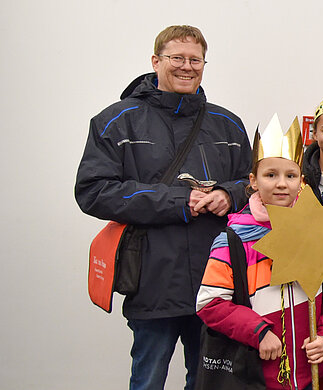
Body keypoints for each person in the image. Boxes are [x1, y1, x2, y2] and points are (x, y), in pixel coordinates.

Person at [74, 25, 253, 390]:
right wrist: (179, 200)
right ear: (156, 61)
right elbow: (93, 191)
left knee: (210, 381)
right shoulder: (115, 120)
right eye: (177, 58)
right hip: (153, 280)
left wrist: (228, 194)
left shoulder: (229, 124)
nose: (186, 67)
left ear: (204, 64)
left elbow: (253, 184)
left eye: (195, 60)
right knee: (148, 379)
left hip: (216, 281)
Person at [196, 154, 323, 390]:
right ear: (253, 181)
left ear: (302, 181)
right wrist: (258, 332)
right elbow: (210, 303)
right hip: (256, 377)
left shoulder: (318, 234)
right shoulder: (233, 240)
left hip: (310, 376)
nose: (281, 183)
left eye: (291, 175)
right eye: (270, 175)